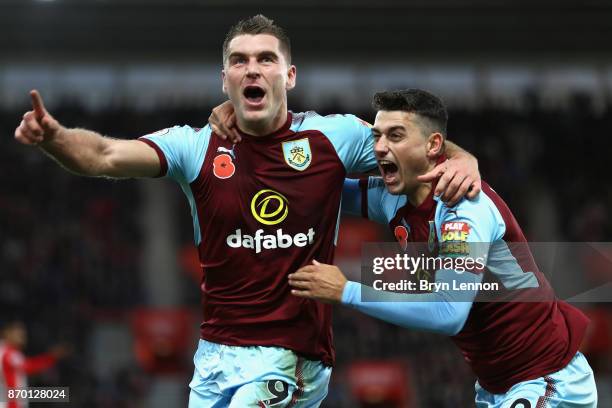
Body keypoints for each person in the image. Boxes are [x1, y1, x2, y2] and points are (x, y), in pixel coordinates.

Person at [14, 15, 480, 407]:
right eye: (239, 60)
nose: (252, 69)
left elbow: (415, 147)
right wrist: (55, 137)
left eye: (265, 59)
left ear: (289, 75)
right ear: (225, 79)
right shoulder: (194, 146)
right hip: (215, 357)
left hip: (292, 356)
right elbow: (102, 156)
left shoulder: (333, 138)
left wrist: (462, 159)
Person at [288, 89, 597, 407]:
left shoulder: (460, 209)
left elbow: (449, 312)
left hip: (547, 378)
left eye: (396, 136)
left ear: (433, 145)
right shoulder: (394, 198)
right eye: (377, 136)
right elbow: (317, 188)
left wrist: (346, 290)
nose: (379, 148)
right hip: (496, 388)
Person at [0, 320, 69, 408]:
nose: (22, 335)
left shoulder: (6, 351)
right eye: (17, 332)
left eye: (23, 332)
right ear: (6, 333)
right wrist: (51, 357)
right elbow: (30, 367)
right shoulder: (8, 353)